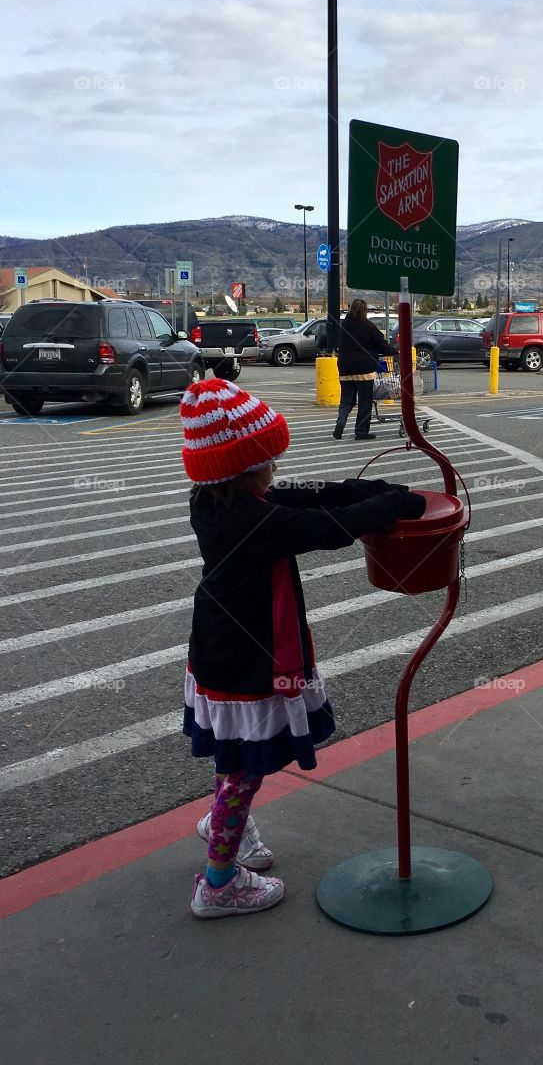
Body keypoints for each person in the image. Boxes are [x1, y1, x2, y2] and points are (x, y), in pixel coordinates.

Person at [180, 377, 426, 917]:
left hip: (221, 650)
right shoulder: (251, 520)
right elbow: (326, 527)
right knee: (247, 769)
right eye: (268, 457)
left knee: (234, 755)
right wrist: (391, 505)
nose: (276, 468)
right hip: (249, 663)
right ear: (247, 467)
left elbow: (317, 497)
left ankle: (225, 824)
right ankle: (218, 883)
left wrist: (372, 490)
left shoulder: (220, 501)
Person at [334, 298, 398, 441]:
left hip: (345, 369)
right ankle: (361, 432)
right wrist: (393, 352)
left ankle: (341, 420)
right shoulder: (367, 326)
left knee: (346, 400)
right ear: (365, 311)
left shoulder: (344, 325)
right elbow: (380, 343)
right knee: (365, 402)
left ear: (351, 309)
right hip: (364, 370)